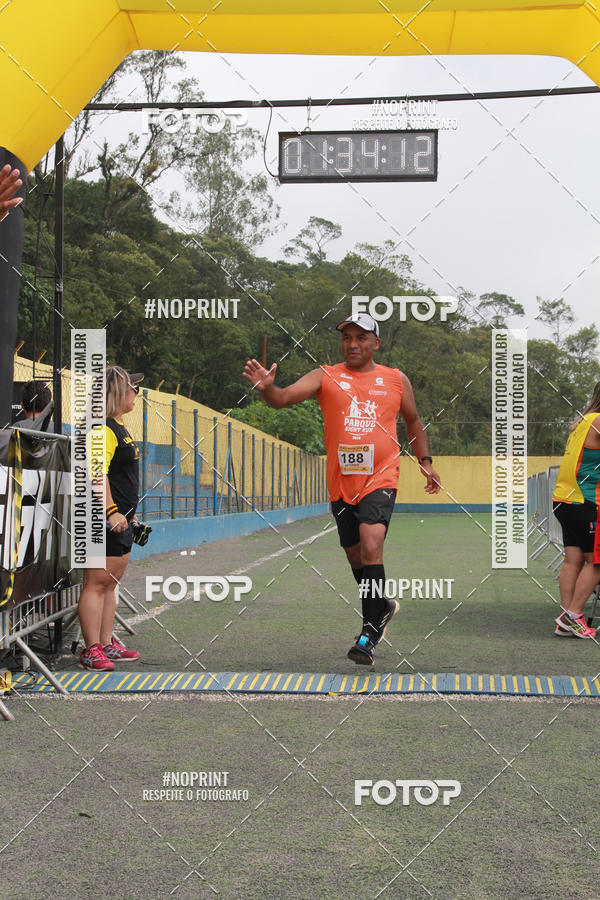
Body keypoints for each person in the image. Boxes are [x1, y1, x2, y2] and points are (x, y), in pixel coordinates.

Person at [243, 312, 441, 665]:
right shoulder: (326, 375)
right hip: (341, 482)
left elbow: (413, 420)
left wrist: (425, 461)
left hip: (381, 476)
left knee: (371, 543)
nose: (352, 344)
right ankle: (382, 606)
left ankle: (369, 631)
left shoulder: (396, 379)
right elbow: (283, 398)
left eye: (361, 337)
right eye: (347, 337)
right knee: (356, 555)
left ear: (376, 343)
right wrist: (268, 388)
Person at [77, 366, 144, 670]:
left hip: (120, 520)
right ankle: (91, 649)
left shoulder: (116, 427)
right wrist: (111, 511)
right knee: (96, 583)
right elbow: (97, 473)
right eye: (134, 388)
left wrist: (129, 513)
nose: (136, 394)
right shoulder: (102, 429)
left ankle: (106, 643)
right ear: (118, 393)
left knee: (110, 582)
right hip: (101, 519)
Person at [552, 383, 600, 638]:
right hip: (585, 501)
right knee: (597, 562)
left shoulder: (583, 420)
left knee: (573, 561)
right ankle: (572, 616)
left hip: (564, 500)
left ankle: (566, 619)